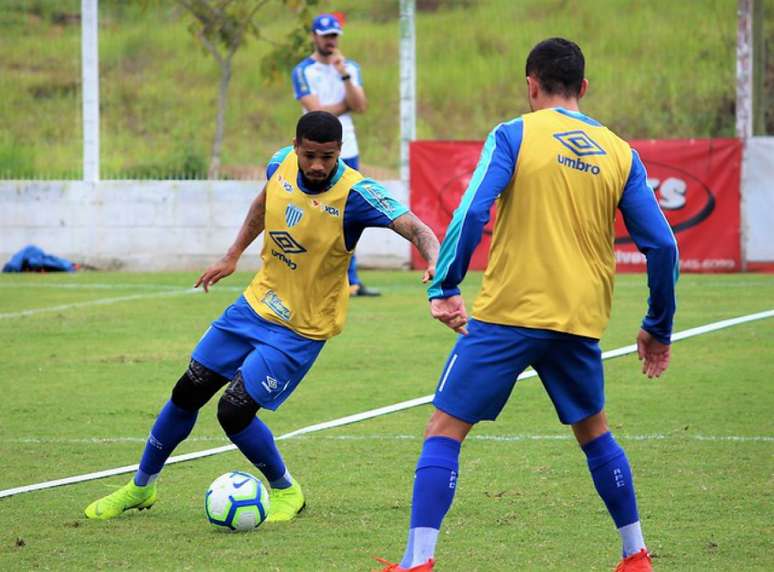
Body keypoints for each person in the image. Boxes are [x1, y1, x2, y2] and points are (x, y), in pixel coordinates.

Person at [377, 38, 678, 572]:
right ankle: (635, 554)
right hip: (579, 318)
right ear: (583, 87)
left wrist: (445, 285)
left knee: (444, 431)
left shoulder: (515, 133)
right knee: (595, 433)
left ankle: (418, 562)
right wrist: (658, 325)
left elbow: (473, 213)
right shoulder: (620, 152)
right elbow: (663, 246)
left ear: (531, 84)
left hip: (508, 314)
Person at [84, 111, 439, 523]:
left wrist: (433, 261)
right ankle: (141, 487)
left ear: (340, 152)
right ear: (295, 147)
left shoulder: (356, 194)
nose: (318, 165)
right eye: (309, 155)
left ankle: (287, 490)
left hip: (302, 327)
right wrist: (232, 254)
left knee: (233, 412)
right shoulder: (279, 164)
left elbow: (417, 229)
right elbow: (263, 202)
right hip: (256, 305)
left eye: (327, 156)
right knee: (188, 390)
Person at [291, 12, 378, 296]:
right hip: (315, 152)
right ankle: (307, 272)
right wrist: (344, 106)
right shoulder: (303, 70)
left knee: (348, 213)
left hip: (346, 148)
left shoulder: (349, 67)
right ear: (315, 37)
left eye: (334, 36)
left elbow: (361, 104)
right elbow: (316, 112)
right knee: (312, 211)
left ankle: (350, 280)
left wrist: (344, 76)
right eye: (326, 35)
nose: (330, 41)